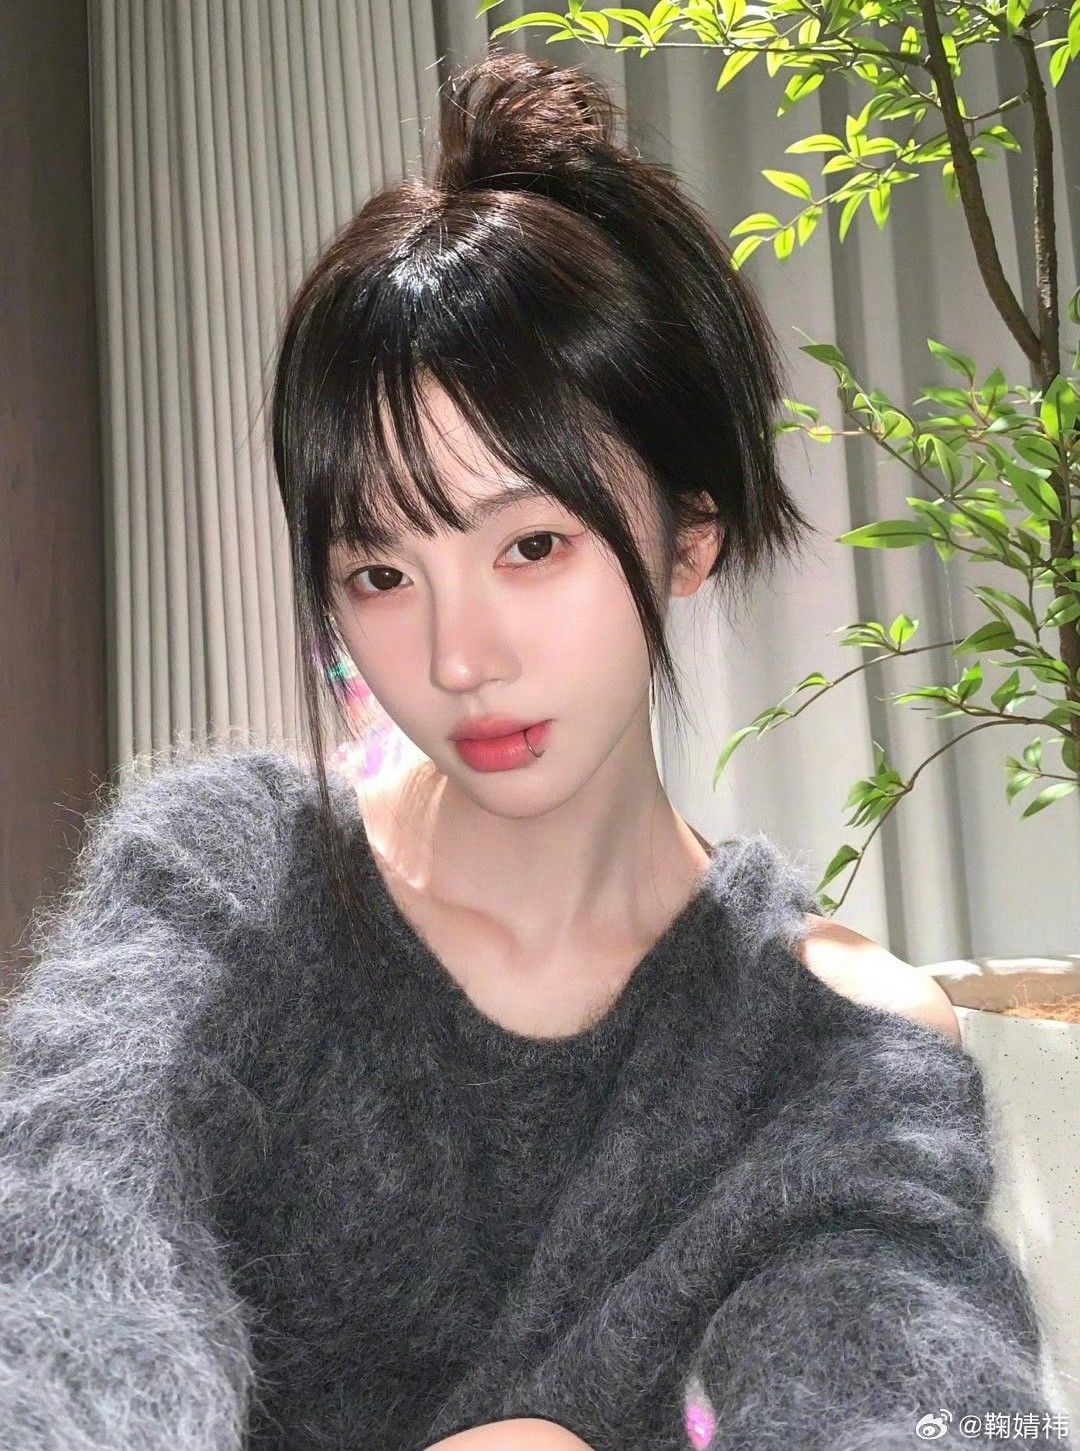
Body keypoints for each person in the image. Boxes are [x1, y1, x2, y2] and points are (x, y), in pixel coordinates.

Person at [0, 47, 1070, 1451]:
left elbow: (915, 1390)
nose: (458, 658)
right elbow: (64, 1266)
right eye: (380, 573)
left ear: (689, 535)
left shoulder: (831, 1044)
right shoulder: (221, 889)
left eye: (532, 546)